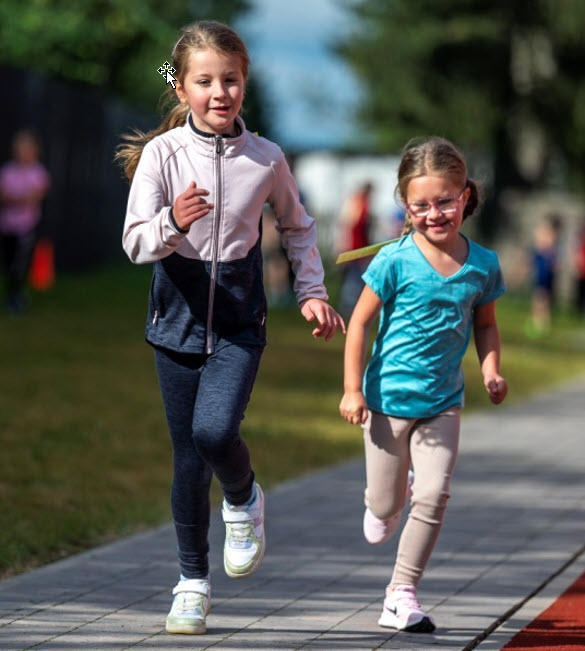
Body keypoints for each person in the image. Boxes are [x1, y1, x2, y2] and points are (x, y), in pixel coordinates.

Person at [116, 20, 345, 636]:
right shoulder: (164, 156)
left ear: (246, 84)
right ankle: (192, 582)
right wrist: (172, 221)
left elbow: (298, 227)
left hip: (241, 321)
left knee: (216, 432)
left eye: (232, 79)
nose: (220, 92)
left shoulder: (266, 158)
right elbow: (136, 241)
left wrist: (312, 292)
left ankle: (244, 499)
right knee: (187, 459)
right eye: (205, 81)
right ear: (182, 88)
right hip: (176, 321)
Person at [339, 136, 508, 633]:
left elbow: (486, 325)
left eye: (445, 201)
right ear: (405, 205)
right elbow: (359, 324)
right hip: (387, 402)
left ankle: (401, 594)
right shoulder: (393, 260)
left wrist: (491, 369)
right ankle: (386, 499)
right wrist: (352, 389)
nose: (435, 214)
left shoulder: (483, 265)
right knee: (383, 509)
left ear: (465, 196)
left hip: (443, 404)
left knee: (434, 495)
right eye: (421, 205)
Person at [0, 130, 50, 312]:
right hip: (6, 227)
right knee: (8, 263)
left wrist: (16, 198)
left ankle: (16, 296)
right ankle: (11, 295)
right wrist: (19, 198)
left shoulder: (38, 173)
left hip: (26, 227)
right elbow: (4, 196)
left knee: (19, 265)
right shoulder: (7, 170)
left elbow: (35, 196)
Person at [337, 182, 374, 318]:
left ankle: (353, 306)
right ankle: (348, 307)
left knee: (356, 279)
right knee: (353, 280)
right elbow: (350, 227)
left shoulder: (359, 205)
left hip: (360, 248)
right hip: (355, 248)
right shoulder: (358, 204)